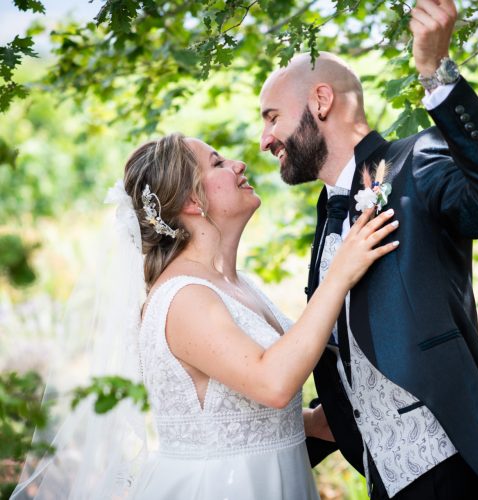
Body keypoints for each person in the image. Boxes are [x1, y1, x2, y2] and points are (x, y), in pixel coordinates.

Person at [12, 133, 399, 500]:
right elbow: (273, 382)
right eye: (217, 163)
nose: (239, 164)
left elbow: (226, 418)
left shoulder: (237, 285)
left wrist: (312, 423)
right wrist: (339, 275)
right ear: (192, 202)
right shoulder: (184, 298)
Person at [258, 0, 478, 498]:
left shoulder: (416, 161)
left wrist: (436, 74)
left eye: (272, 117)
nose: (264, 139)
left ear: (321, 101)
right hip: (383, 477)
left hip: (453, 462)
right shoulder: (328, 209)